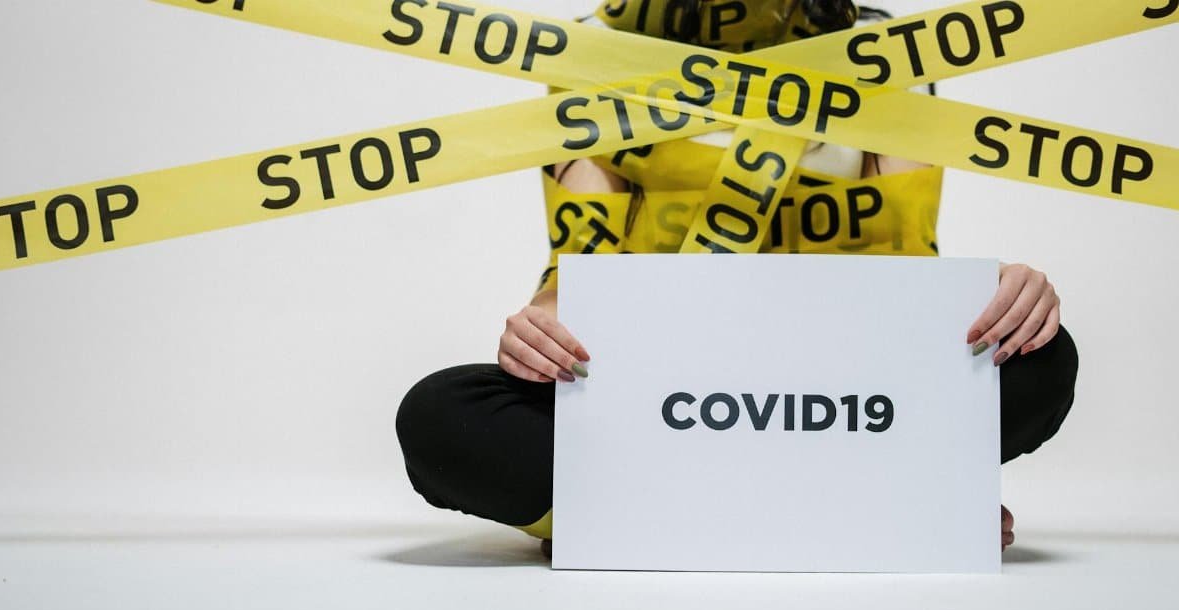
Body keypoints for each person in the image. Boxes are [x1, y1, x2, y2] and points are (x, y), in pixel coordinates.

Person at [395, 0, 1079, 559]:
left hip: (838, 396)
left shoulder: (890, 53)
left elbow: (908, 269)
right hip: (662, 399)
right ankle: (853, 511)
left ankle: (660, 515)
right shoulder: (590, 53)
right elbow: (579, 263)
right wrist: (536, 325)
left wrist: (1002, 292)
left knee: (1043, 357)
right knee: (441, 418)